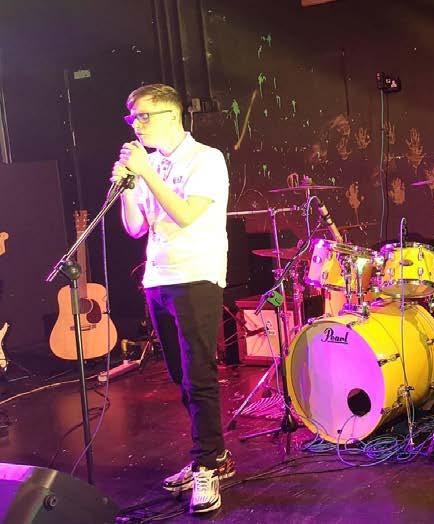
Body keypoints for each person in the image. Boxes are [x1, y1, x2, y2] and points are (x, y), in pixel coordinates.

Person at [112, 83, 234, 514]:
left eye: (143, 116)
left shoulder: (206, 159)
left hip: (195, 276)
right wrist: (129, 186)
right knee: (181, 375)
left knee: (199, 373)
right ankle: (214, 454)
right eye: (132, 117)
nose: (136, 125)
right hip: (157, 278)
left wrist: (145, 172)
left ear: (171, 115)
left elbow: (184, 215)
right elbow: (135, 228)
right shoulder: (151, 165)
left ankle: (206, 466)